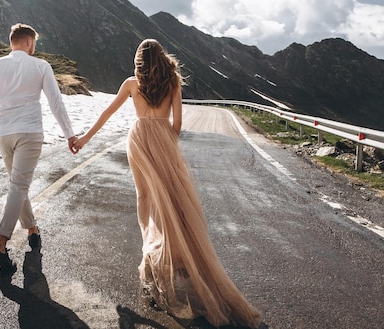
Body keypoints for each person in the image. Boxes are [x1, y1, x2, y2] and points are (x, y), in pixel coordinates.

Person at [73, 39, 262, 328]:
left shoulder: (130, 83)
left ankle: (150, 256)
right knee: (173, 201)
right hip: (164, 139)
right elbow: (177, 123)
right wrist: (168, 144)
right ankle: (175, 257)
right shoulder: (173, 81)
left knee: (145, 199)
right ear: (162, 58)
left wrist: (85, 139)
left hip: (137, 139)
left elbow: (108, 113)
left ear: (139, 60)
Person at [0, 23, 78, 274]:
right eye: (34, 42)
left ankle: (32, 229)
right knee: (18, 186)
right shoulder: (41, 66)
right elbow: (55, 102)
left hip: (3, 133)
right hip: (30, 133)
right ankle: (0, 245)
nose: (34, 46)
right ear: (28, 42)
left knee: (17, 185)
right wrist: (69, 134)